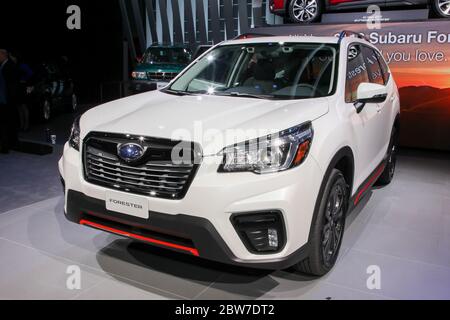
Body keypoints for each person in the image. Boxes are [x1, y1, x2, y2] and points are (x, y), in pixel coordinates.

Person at [0, 48, 20, 153]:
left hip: (7, 100)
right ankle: (9, 144)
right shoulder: (4, 65)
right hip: (5, 99)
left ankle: (7, 145)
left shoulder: (9, 66)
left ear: (3, 55)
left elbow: (12, 85)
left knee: (7, 123)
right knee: (7, 123)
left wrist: (9, 100)